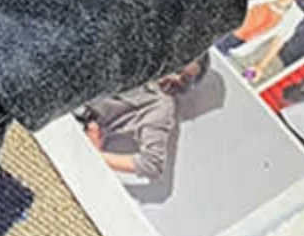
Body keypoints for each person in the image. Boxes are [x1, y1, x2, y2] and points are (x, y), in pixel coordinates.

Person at [76, 56, 210, 186]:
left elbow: (152, 164)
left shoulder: (160, 105)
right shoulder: (137, 55)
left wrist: (96, 157)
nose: (176, 79)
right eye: (177, 69)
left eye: (185, 81)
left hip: (77, 125)